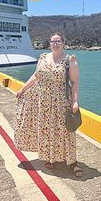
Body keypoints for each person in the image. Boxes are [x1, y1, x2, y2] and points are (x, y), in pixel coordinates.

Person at [14, 33, 83, 177]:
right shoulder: (43, 58)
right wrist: (22, 89)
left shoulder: (70, 60)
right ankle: (49, 157)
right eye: (53, 41)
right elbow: (36, 75)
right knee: (46, 130)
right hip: (43, 101)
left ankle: (72, 161)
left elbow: (75, 82)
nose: (55, 44)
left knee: (65, 131)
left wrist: (75, 101)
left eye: (58, 41)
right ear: (50, 43)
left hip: (61, 101)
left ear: (63, 43)